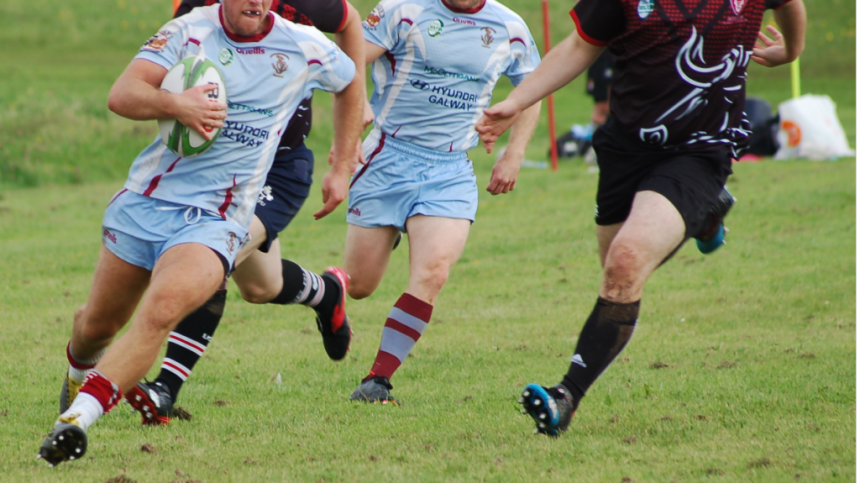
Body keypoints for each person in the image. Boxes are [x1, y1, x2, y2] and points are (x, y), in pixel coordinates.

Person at [39, 0, 357, 465]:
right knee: (96, 326)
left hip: (218, 217)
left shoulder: (302, 44)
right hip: (148, 202)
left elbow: (350, 83)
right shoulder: (190, 29)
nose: (255, 1)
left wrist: (343, 163)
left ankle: (77, 421)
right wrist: (175, 104)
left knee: (161, 310)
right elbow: (122, 93)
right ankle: (77, 372)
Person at [476, 0, 806, 436]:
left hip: (699, 150)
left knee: (625, 264)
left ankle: (565, 396)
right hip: (626, 147)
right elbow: (580, 45)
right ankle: (704, 214)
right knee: (613, 270)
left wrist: (792, 50)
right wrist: (516, 102)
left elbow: (790, 5)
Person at [112, 0, 367, 427]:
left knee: (208, 253)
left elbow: (351, 25)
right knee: (261, 285)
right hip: (219, 172)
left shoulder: (302, 8)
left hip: (280, 168)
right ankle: (326, 293)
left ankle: (165, 389)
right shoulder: (195, 12)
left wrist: (343, 164)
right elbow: (176, 73)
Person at [345, 0, 542, 404]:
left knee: (433, 272)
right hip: (386, 156)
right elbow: (352, 60)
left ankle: (377, 380)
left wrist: (514, 154)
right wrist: (358, 103)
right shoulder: (402, 10)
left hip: (449, 169)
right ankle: (395, 230)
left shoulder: (509, 26)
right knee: (360, 285)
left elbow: (532, 90)